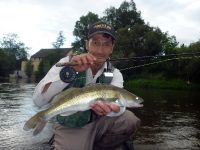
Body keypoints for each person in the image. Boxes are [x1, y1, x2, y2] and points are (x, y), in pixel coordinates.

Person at [32, 21, 141, 150]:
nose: (100, 50)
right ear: (86, 45)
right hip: (71, 124)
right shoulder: (67, 63)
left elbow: (120, 105)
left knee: (130, 120)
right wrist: (71, 71)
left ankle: (98, 146)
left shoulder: (115, 74)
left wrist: (114, 110)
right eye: (95, 43)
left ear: (112, 48)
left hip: (100, 121)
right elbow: (38, 101)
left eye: (106, 45)